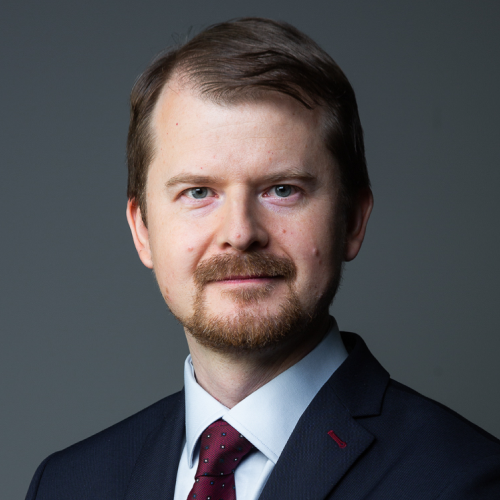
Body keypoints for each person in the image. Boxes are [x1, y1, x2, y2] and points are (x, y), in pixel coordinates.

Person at [26, 17, 500, 500]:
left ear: (353, 221)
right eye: (198, 192)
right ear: (142, 230)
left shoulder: (466, 481)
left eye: (282, 189)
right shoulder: (66, 485)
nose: (240, 234)